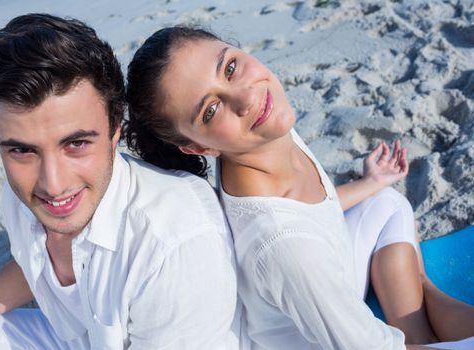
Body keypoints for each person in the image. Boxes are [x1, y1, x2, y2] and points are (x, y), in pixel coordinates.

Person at [122, 26, 474, 350]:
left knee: (387, 202)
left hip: (329, 275)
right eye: (211, 110)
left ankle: (418, 312)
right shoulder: (284, 246)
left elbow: (313, 214)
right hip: (318, 335)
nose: (244, 98)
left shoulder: (265, 133)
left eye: (230, 67)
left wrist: (370, 182)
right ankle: (419, 302)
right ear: (199, 148)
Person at [0, 15, 240, 349]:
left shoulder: (174, 245)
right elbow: (35, 264)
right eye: (22, 150)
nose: (53, 185)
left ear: (115, 126)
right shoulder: (19, 196)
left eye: (76, 144)